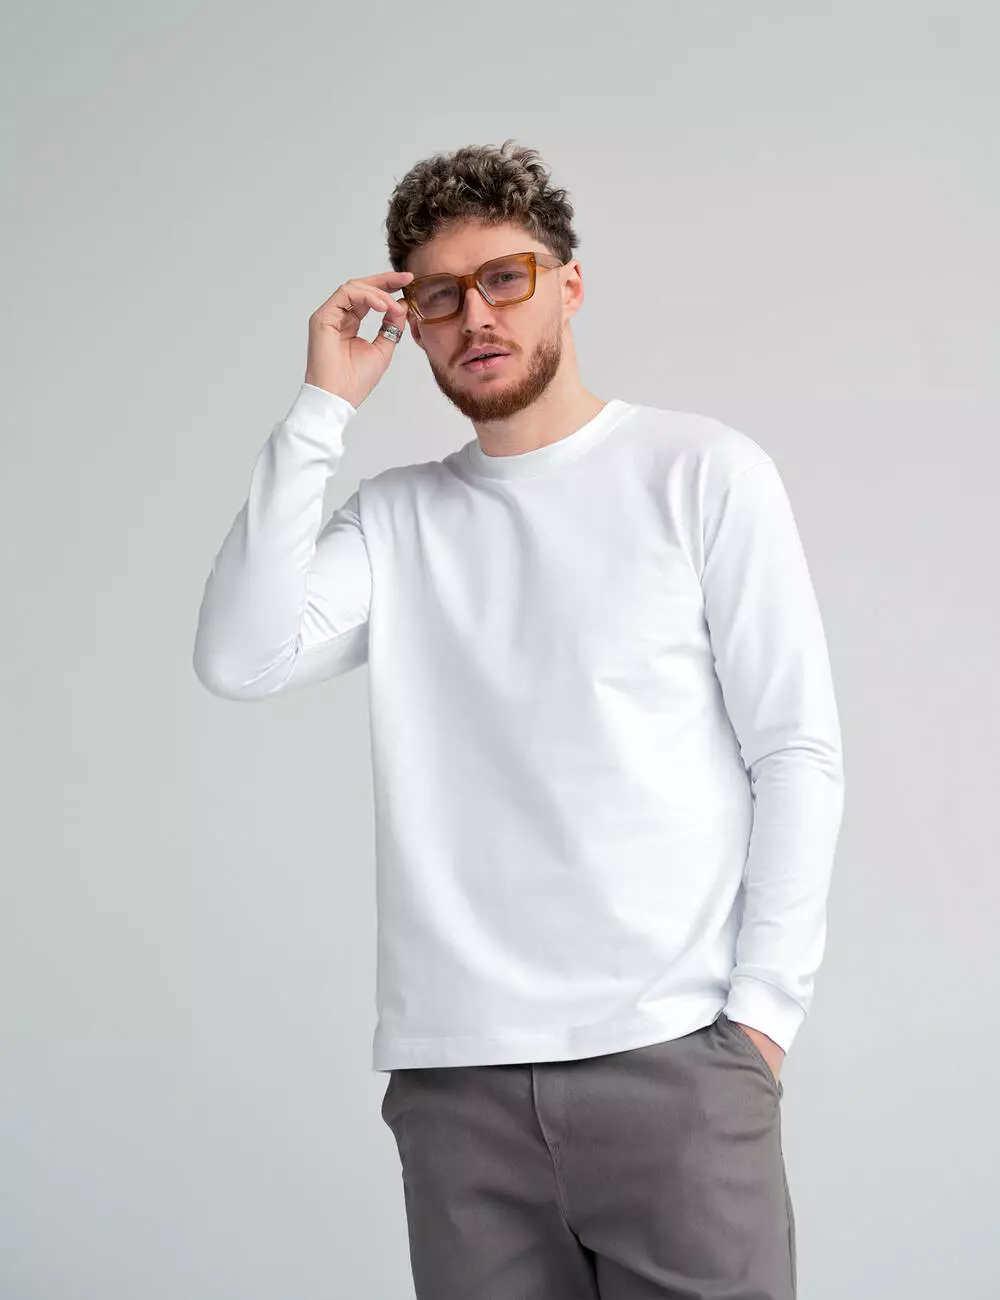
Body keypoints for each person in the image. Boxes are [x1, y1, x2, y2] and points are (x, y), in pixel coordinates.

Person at [192, 139, 844, 1300]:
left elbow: (792, 750)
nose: (476, 317)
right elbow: (239, 656)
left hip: (675, 1062)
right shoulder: (397, 520)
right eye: (441, 296)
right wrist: (322, 407)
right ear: (410, 321)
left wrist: (758, 1022)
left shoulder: (700, 472)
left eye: (505, 277)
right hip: (457, 1088)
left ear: (568, 283)